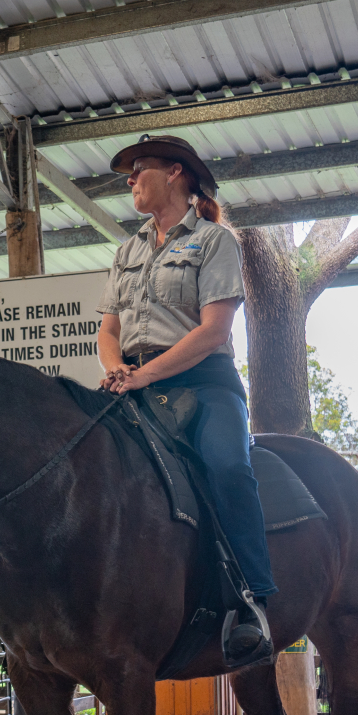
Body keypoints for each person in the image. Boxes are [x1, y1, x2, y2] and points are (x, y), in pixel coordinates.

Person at [96, 134, 274, 668]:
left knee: (227, 466)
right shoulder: (127, 250)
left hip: (203, 381)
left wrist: (143, 373)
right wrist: (117, 370)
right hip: (133, 381)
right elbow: (108, 330)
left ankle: (252, 601)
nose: (129, 181)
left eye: (137, 170)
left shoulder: (215, 241)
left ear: (175, 173)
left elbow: (214, 331)